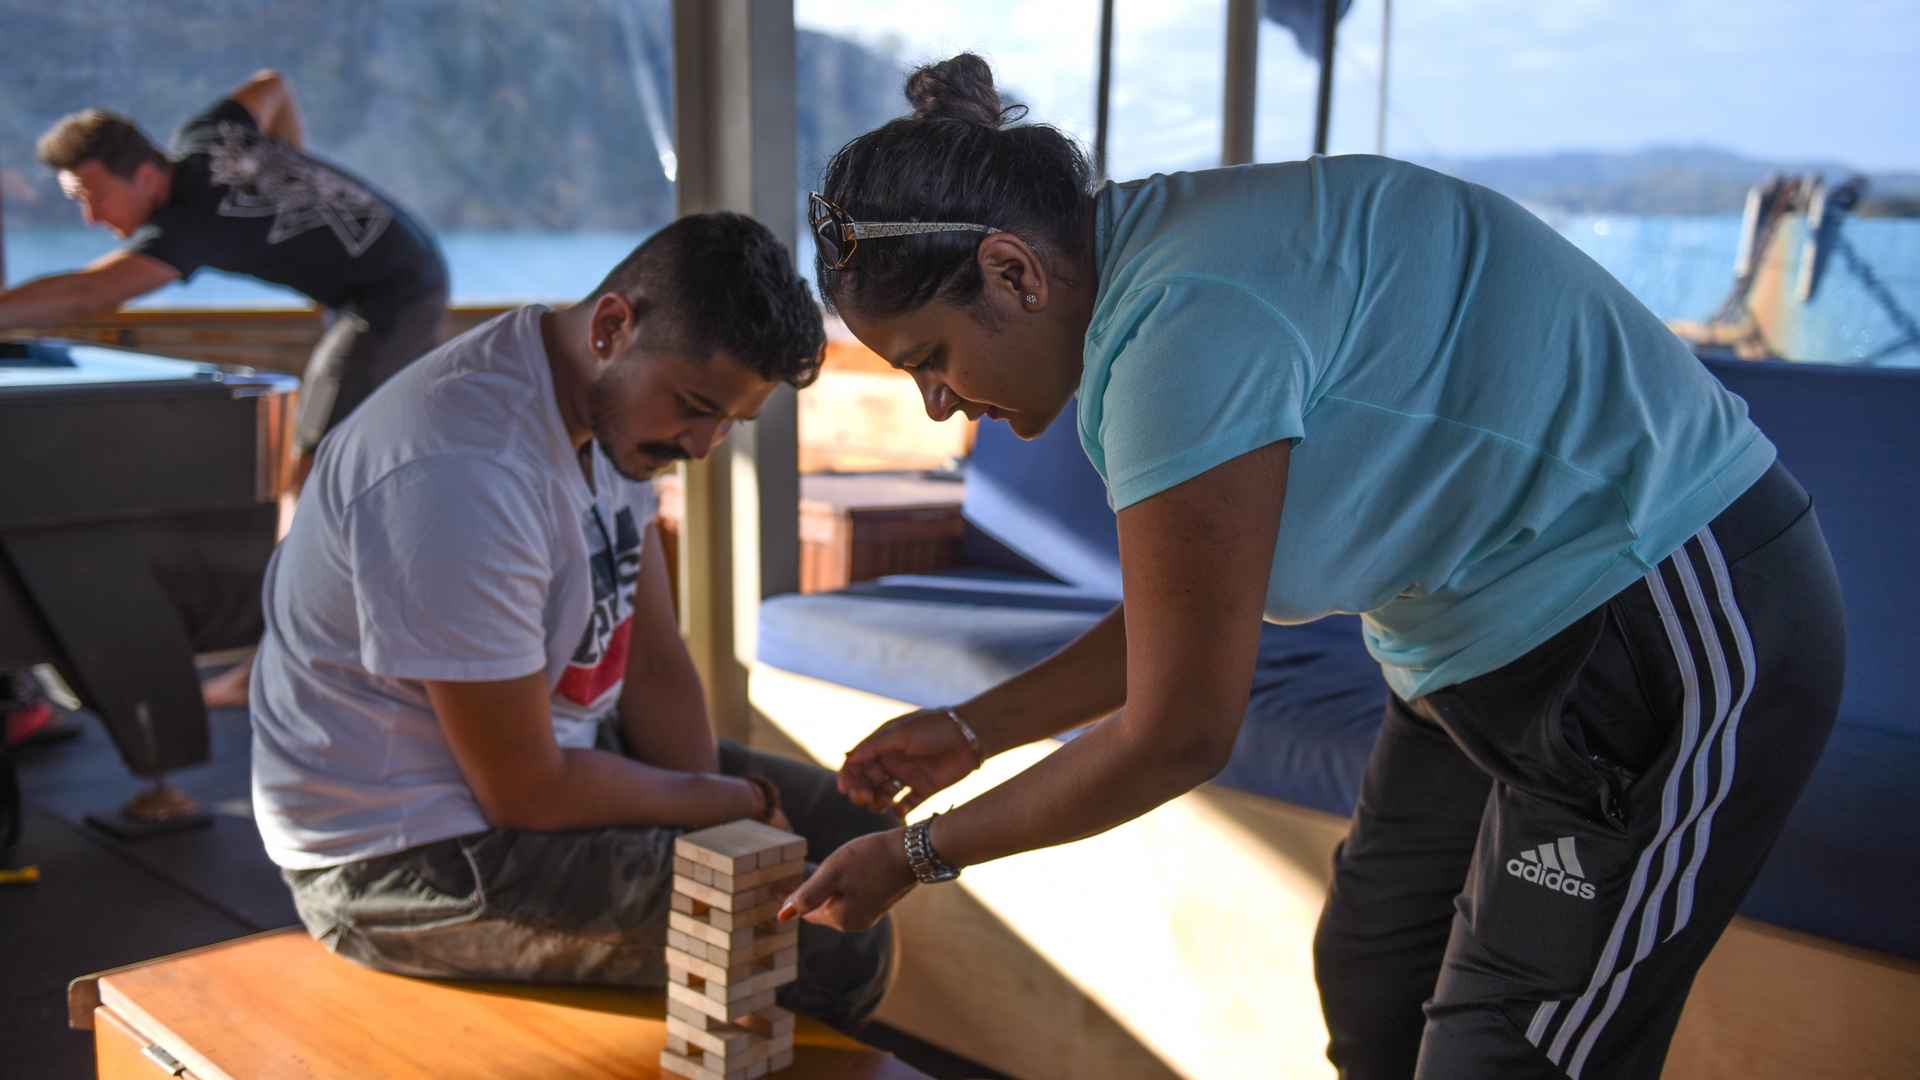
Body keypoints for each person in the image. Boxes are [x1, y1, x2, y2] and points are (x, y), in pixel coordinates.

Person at [778, 54, 1845, 1079]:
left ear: (1014, 271)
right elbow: (1187, 620)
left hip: (1658, 615)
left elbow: (1179, 733)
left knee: (1514, 1054)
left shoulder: (1182, 326)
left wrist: (917, 857)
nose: (935, 404)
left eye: (928, 360)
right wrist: (973, 730)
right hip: (1463, 647)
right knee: (1374, 978)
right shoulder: (1144, 270)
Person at [247, 212, 893, 1029]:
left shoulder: (616, 416)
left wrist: (725, 813)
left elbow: (654, 659)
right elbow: (526, 792)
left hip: (538, 770)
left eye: (731, 421)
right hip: (402, 856)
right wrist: (720, 804)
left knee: (850, 832)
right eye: (696, 409)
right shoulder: (462, 470)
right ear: (613, 325)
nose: (704, 446)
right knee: (833, 946)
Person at [7, 70, 451, 707]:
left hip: (392, 296)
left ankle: (280, 668)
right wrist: (290, 161)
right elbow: (272, 87)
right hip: (394, 275)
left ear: (144, 176)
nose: (90, 216)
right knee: (338, 468)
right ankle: (336, 646)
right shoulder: (206, 134)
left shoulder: (190, 223)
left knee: (310, 479)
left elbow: (89, 292)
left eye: (91, 195)